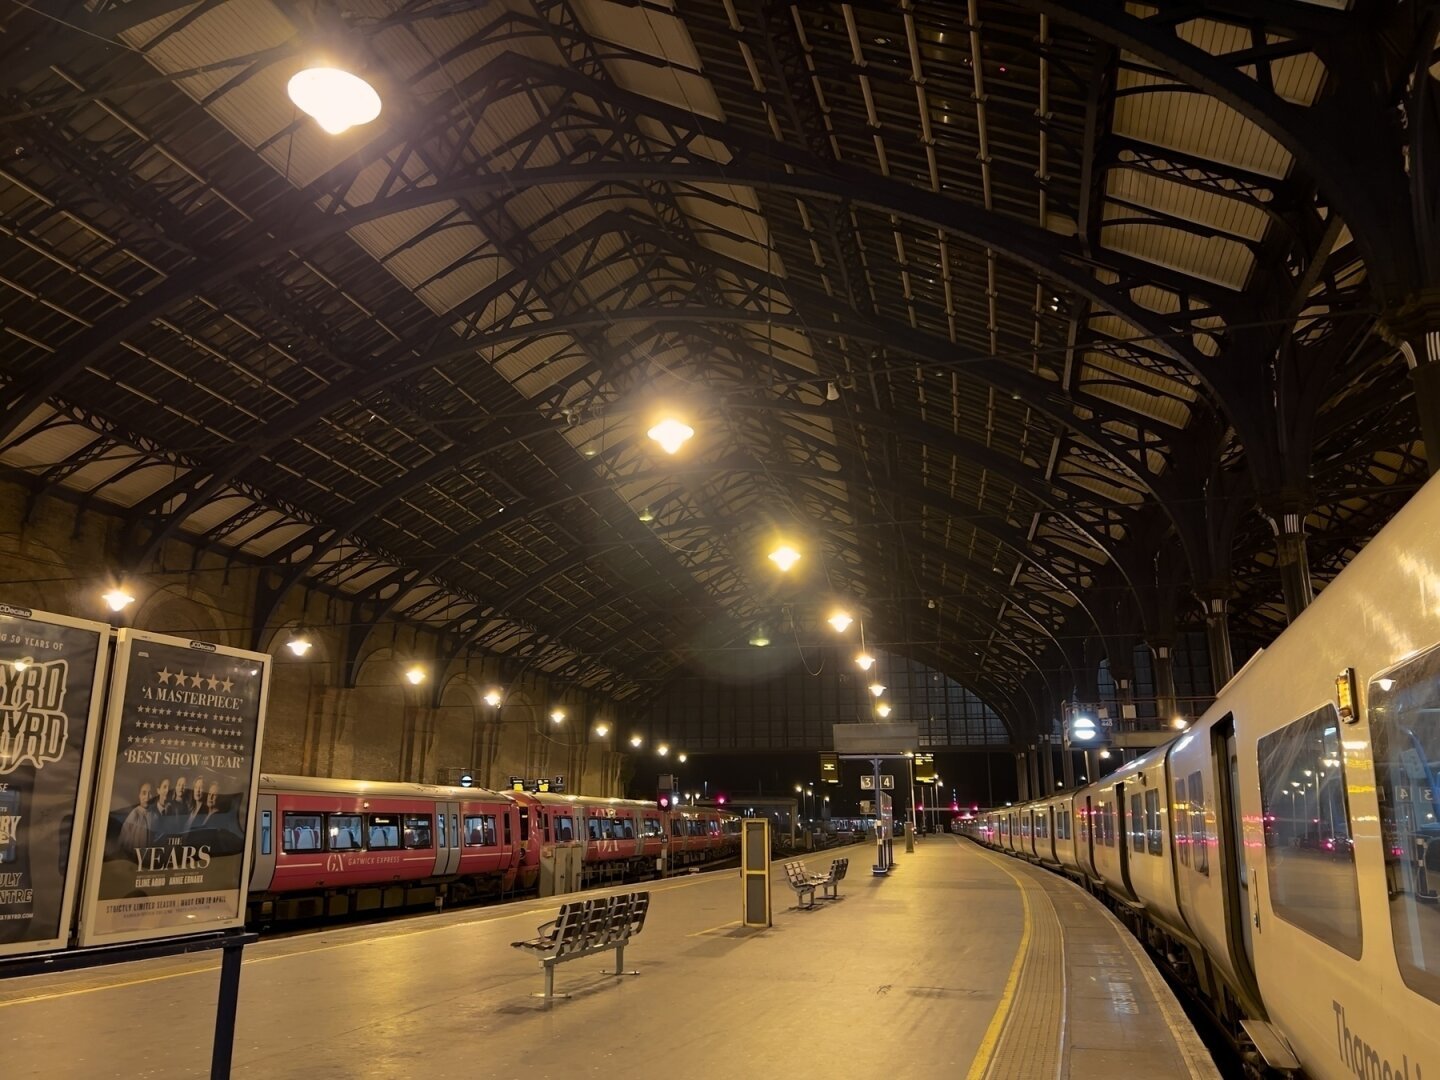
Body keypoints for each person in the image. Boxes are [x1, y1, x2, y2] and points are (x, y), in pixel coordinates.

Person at [118, 782, 154, 852]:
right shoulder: (134, 815)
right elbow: (123, 841)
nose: (147, 797)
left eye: (150, 793)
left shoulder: (155, 815)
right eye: (144, 793)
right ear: (139, 795)